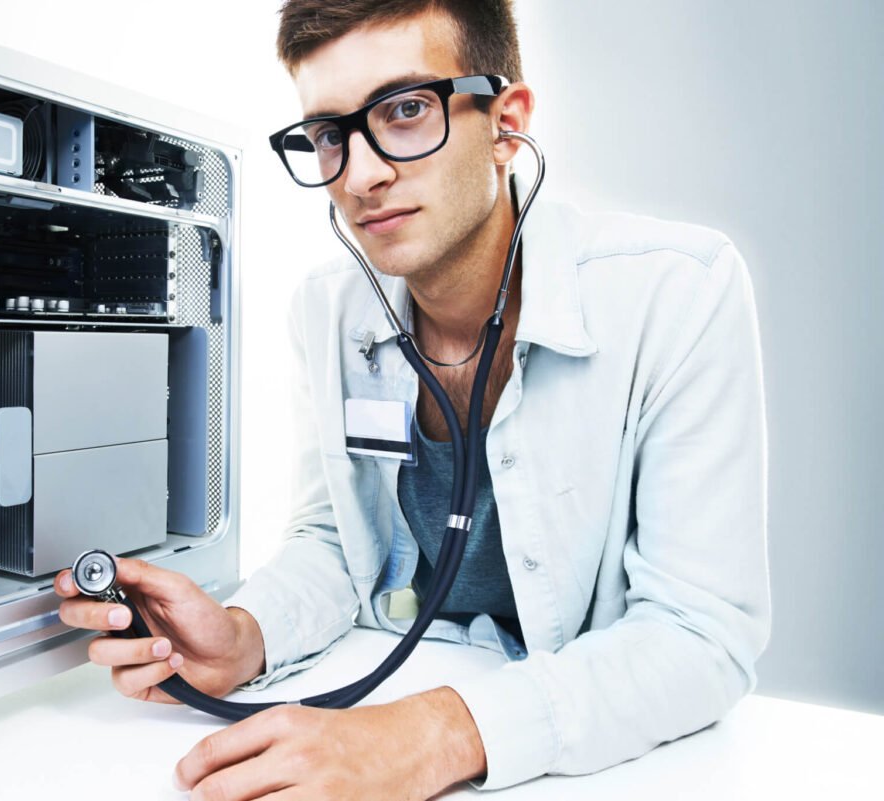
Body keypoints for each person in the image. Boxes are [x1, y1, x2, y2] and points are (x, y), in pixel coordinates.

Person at [55, 1, 770, 797]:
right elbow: (335, 539)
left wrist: (432, 734)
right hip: (389, 675)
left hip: (598, 760)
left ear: (506, 122)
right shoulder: (326, 311)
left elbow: (701, 635)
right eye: (330, 133)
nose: (360, 175)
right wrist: (243, 636)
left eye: (404, 111)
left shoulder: (679, 293)